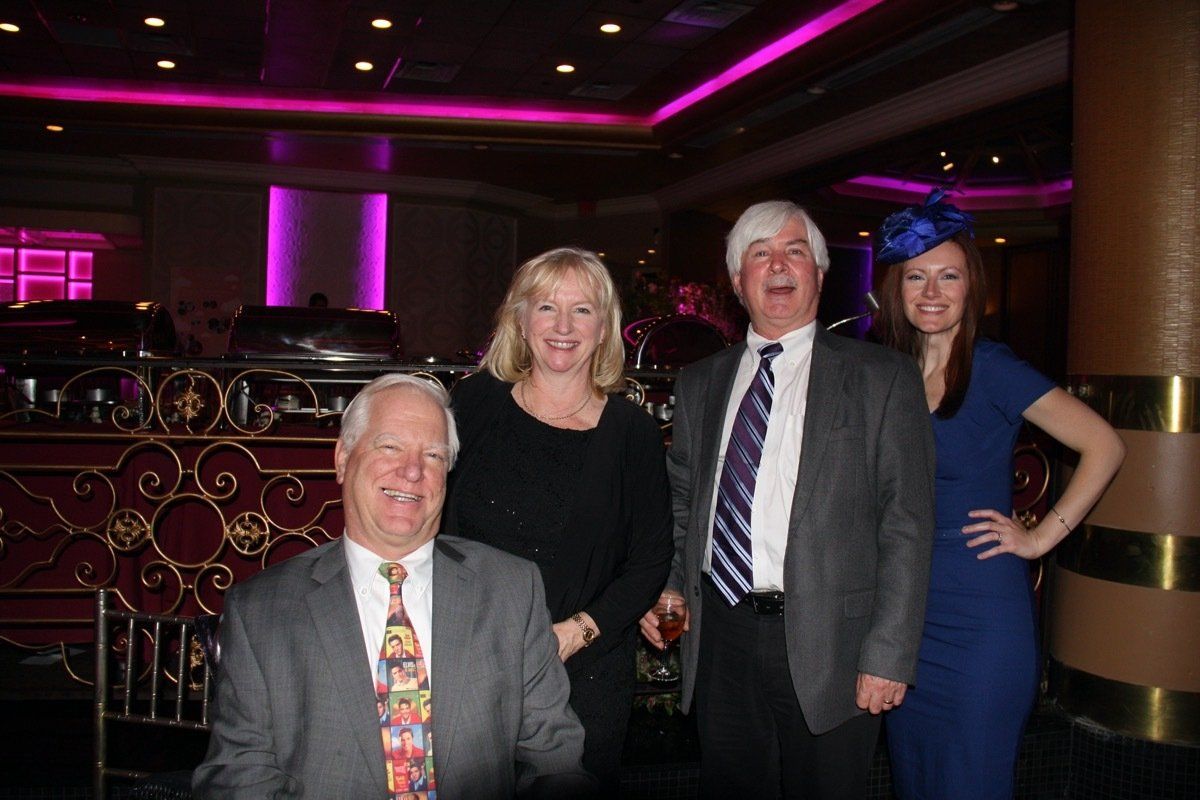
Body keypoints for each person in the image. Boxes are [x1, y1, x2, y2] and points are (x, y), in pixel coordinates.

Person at [640, 201, 936, 799]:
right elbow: (683, 503)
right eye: (760, 253)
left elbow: (906, 524)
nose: (778, 265)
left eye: (795, 251)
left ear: (819, 274)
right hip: (720, 636)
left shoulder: (882, 377)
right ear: (738, 281)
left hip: (836, 647)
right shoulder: (700, 382)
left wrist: (889, 654)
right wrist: (669, 585)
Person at [193, 374, 594, 799]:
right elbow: (239, 779)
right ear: (343, 458)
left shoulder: (510, 591)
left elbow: (555, 761)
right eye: (389, 447)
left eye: (433, 455)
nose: (413, 471)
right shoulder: (262, 611)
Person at [872, 189, 1125, 799]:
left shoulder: (992, 367)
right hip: (905, 616)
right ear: (896, 289)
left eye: (949, 275)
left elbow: (1105, 445)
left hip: (979, 617)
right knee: (915, 782)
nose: (932, 292)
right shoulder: (887, 371)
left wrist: (1040, 538)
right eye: (916, 277)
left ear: (972, 286)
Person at [442, 246, 674, 789]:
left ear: (603, 328)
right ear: (521, 322)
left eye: (582, 310)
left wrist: (575, 633)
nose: (563, 326)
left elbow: (650, 560)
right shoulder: (473, 404)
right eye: (546, 307)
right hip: (469, 663)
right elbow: (432, 517)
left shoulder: (633, 433)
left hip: (583, 673)